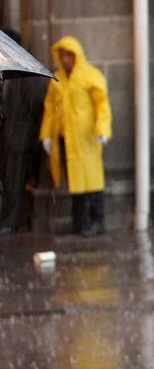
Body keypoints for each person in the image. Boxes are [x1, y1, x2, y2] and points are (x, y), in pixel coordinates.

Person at [39, 36, 113, 236]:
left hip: (86, 137)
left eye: (68, 56)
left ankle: (97, 220)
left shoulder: (90, 76)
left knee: (92, 180)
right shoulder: (58, 80)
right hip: (66, 138)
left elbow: (101, 104)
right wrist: (46, 134)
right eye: (62, 56)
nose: (64, 60)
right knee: (75, 181)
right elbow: (50, 109)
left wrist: (102, 128)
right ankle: (79, 221)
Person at [0, 30, 49, 234]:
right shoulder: (6, 72)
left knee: (15, 181)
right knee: (9, 180)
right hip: (8, 137)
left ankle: (12, 222)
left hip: (20, 138)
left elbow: (37, 105)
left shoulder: (24, 75)